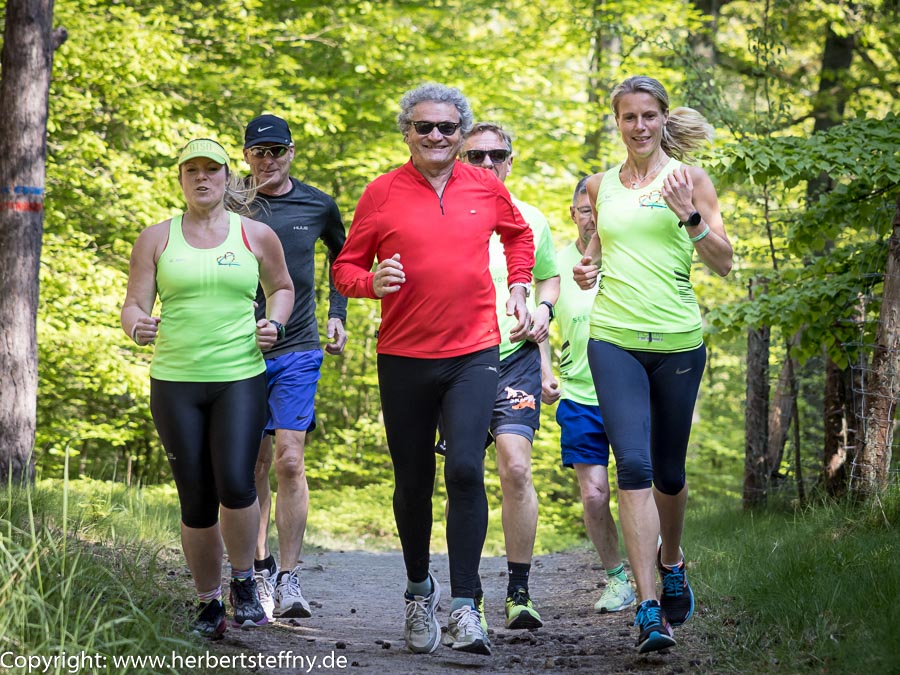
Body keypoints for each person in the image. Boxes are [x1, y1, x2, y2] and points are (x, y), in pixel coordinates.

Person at [333, 83, 535, 657]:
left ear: (461, 132)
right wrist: (372, 283)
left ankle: (467, 606)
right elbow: (345, 268)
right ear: (408, 132)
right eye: (426, 127)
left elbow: (519, 237)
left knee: (468, 469)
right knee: (413, 480)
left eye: (449, 128)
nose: (438, 137)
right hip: (403, 356)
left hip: (474, 352)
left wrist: (520, 284)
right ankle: (420, 590)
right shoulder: (381, 193)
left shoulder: (485, 186)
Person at [573, 76, 733, 654]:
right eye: (627, 117)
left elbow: (724, 263)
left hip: (677, 344)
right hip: (613, 340)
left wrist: (691, 217)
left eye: (648, 116)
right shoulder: (599, 186)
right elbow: (596, 252)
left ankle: (673, 560)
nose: (638, 126)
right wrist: (587, 270)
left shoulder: (690, 180)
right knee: (633, 467)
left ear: (664, 118)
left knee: (669, 471)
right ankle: (647, 609)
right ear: (616, 122)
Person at [121, 138, 294, 638]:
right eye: (191, 170)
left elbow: (282, 289)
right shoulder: (156, 238)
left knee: (237, 483)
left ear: (226, 177)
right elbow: (133, 303)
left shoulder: (255, 235)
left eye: (211, 170)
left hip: (239, 376)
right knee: (195, 496)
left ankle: (244, 582)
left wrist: (275, 325)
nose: (202, 178)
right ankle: (207, 605)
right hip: (174, 381)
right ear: (180, 179)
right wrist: (138, 326)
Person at [241, 114, 348, 621]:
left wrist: (337, 315)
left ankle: (289, 577)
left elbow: (343, 260)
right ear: (245, 156)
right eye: (259, 151)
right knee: (254, 464)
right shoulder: (229, 201)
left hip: (299, 345)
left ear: (291, 153)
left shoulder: (318, 204)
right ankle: (257, 570)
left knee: (288, 460)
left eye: (277, 151)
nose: (268, 159)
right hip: (236, 350)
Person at [455, 122, 560, 630]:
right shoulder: (442, 212)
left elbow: (551, 274)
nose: (486, 165)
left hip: (513, 356)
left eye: (497, 156)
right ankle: (466, 593)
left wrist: (544, 309)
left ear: (511, 162)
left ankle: (518, 591)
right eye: (475, 156)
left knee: (516, 468)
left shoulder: (531, 217)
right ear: (459, 158)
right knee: (464, 474)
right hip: (455, 359)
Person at [540, 177, 636, 615]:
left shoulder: (629, 254)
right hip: (579, 395)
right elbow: (540, 323)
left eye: (599, 209)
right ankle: (617, 579)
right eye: (584, 209)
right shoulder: (558, 263)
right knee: (595, 495)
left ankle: (657, 562)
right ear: (572, 213)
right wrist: (544, 372)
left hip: (632, 392)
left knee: (640, 487)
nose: (592, 216)